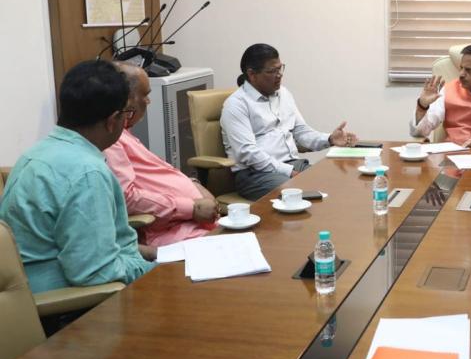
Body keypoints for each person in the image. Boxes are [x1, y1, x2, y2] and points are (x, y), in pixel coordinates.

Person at [0, 60, 155, 294]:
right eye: (127, 115)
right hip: (70, 304)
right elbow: (96, 273)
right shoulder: (87, 174)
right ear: (112, 120)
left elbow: (89, 244)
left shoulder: (37, 153)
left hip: (31, 289)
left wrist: (149, 254)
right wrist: (154, 269)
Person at [221, 44, 359, 201]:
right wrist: (289, 172)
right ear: (252, 74)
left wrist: (330, 139)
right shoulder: (236, 105)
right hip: (256, 174)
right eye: (272, 71)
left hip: (292, 164)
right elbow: (248, 153)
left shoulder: (283, 94)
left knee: (337, 182)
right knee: (302, 193)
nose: (279, 75)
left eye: (280, 69)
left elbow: (301, 132)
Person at [104, 63, 219, 247]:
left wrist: (193, 184)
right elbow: (127, 198)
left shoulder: (124, 133)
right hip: (175, 230)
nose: (148, 102)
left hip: (195, 222)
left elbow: (158, 176)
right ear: (126, 98)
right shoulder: (110, 139)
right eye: (145, 95)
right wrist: (192, 207)